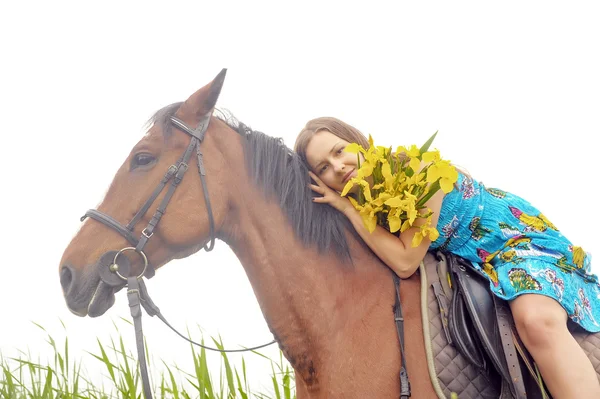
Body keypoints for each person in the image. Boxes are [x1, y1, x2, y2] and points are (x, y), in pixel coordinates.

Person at [294, 116, 600, 398]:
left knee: (536, 321)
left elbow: (404, 262)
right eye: (322, 168)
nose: (337, 167)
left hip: (514, 240)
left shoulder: (415, 172)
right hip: (476, 262)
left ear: (360, 144)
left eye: (339, 151)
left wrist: (346, 207)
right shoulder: (370, 208)